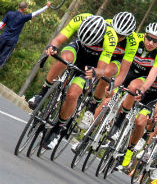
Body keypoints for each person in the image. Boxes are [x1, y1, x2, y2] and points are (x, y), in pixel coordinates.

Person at [28, 13, 118, 149]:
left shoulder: (111, 38)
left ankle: (58, 129)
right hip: (77, 48)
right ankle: (42, 94)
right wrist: (52, 47)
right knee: (63, 60)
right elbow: (58, 39)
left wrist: (94, 72)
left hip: (92, 62)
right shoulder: (81, 18)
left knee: (73, 94)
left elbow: (102, 69)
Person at [0, 1, 51, 68]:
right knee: (2, 58)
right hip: (12, 41)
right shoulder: (23, 17)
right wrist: (46, 6)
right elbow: (36, 13)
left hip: (3, 38)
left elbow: (1, 24)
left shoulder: (9, 14)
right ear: (24, 9)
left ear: (19, 6)